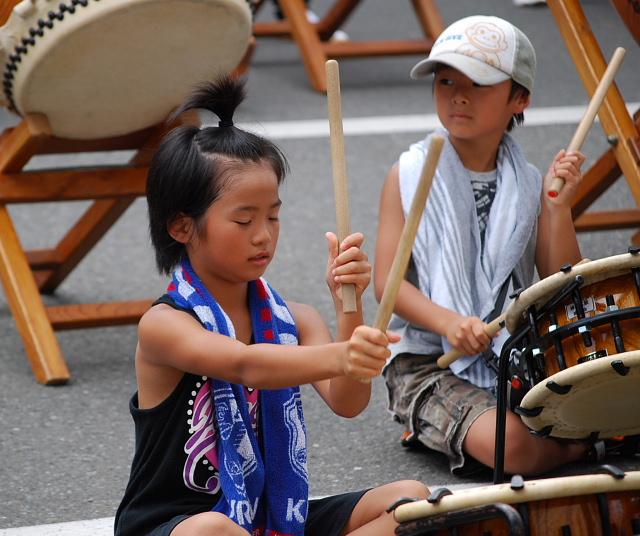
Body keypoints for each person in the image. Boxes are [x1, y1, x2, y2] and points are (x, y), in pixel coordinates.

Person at [114, 75, 428, 535]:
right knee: (214, 530)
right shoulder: (164, 325)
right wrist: (344, 353)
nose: (264, 234)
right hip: (174, 526)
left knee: (411, 501)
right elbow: (244, 365)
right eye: (244, 219)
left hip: (270, 520)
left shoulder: (295, 320)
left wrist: (349, 305)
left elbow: (348, 399)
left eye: (273, 216)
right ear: (181, 227)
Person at [374, 15, 591, 478]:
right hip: (428, 360)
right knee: (512, 446)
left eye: (479, 84)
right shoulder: (409, 174)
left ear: (520, 98)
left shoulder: (528, 183)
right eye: (446, 80)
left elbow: (560, 284)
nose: (458, 95)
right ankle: (585, 449)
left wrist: (557, 210)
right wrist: (449, 323)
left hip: (513, 353)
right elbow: (386, 286)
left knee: (611, 391)